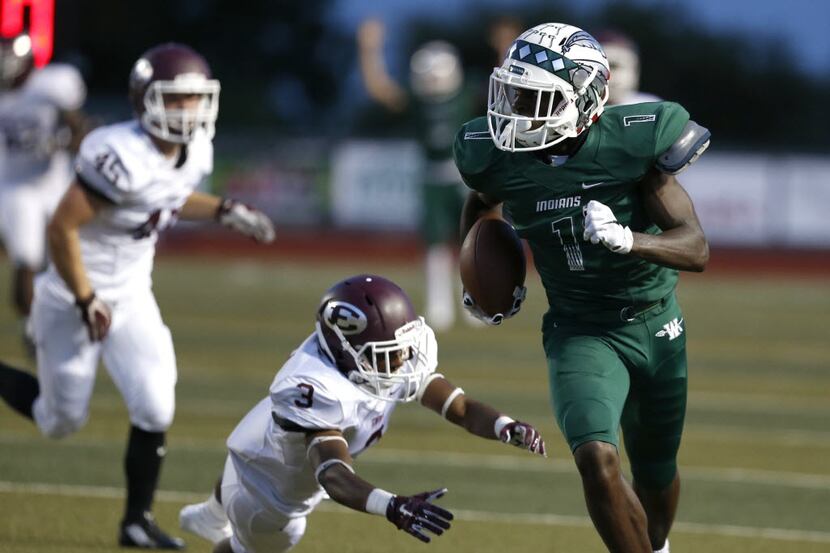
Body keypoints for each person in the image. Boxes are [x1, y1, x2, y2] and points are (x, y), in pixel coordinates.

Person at [0, 43, 275, 549]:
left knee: (154, 404)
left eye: (195, 100)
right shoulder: (117, 154)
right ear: (145, 101)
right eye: (176, 100)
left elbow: (168, 194)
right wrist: (86, 299)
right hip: (71, 293)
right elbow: (62, 229)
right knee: (59, 421)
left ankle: (135, 522)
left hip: (131, 293)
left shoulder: (197, 150)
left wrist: (223, 209)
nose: (188, 111)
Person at [454, 23, 711, 553]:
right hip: (579, 329)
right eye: (512, 93)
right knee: (597, 457)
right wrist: (480, 278)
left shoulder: (633, 141)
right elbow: (482, 200)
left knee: (656, 470)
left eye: (534, 98)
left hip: (655, 322)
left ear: (584, 100)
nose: (515, 111)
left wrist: (628, 239)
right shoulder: (497, 156)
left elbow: (696, 248)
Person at [178, 274, 546, 553]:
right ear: (348, 350)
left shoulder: (366, 360)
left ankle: (210, 514)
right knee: (260, 541)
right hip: (271, 498)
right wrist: (392, 506)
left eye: (403, 347)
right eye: (390, 352)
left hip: (257, 434)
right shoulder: (322, 390)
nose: (403, 360)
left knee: (241, 462)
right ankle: (221, 524)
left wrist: (505, 425)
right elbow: (333, 473)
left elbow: (459, 407)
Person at [357, 19, 472, 331]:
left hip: (464, 176)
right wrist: (369, 49)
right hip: (431, 176)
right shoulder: (417, 99)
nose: (432, 80)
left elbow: (504, 91)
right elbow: (380, 89)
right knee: (434, 243)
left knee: (471, 240)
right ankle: (439, 306)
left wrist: (505, 48)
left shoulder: (466, 95)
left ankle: (475, 300)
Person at [0, 33, 89, 355]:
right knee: (26, 258)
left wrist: (64, 140)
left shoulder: (52, 85)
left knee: (69, 255)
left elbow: (81, 129)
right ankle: (31, 326)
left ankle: (71, 316)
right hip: (16, 185)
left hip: (53, 183)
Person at [595, 30, 660, 106]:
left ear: (635, 70)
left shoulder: (654, 110)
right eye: (596, 67)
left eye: (613, 66)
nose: (604, 75)